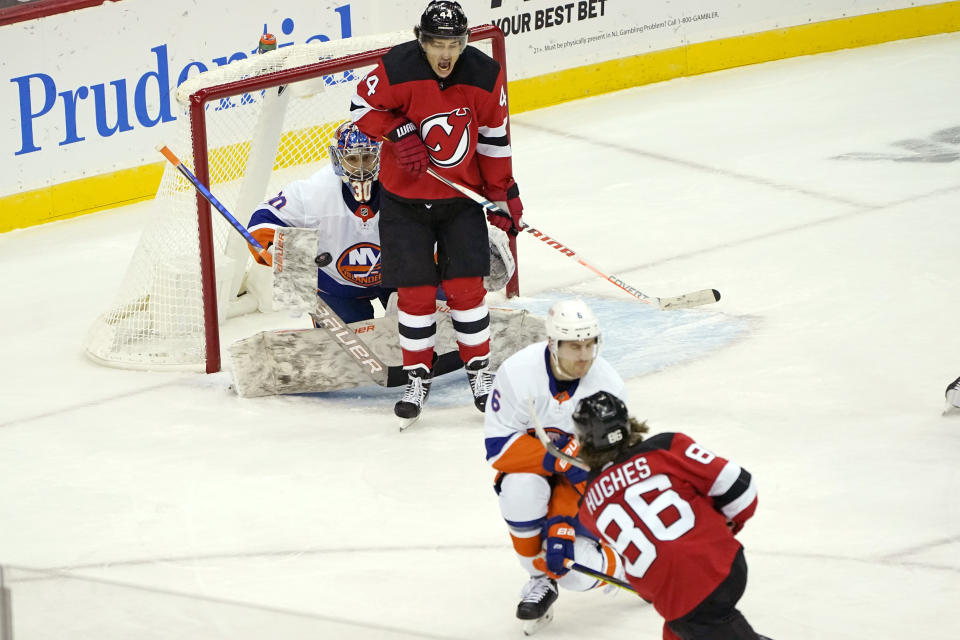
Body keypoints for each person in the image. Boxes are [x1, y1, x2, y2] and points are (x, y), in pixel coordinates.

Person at [350, 0, 524, 421]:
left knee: (467, 290)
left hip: (460, 200)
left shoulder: (484, 75)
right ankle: (416, 377)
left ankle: (479, 372)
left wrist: (502, 197)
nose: (445, 54)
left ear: (464, 42)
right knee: (415, 294)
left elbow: (493, 141)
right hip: (403, 202)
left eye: (454, 43)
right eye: (436, 43)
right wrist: (396, 130)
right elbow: (359, 109)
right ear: (421, 40)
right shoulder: (397, 67)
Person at [569, 390, 772, 640]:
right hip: (720, 566)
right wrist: (720, 528)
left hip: (684, 598)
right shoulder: (666, 447)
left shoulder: (588, 505)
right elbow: (741, 489)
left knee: (702, 622)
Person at [483, 299, 626, 630]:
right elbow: (498, 449)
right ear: (552, 344)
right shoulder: (518, 374)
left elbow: (601, 478)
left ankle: (629, 567)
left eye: (590, 344)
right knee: (519, 489)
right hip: (538, 474)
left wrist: (562, 521)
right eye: (575, 346)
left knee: (573, 570)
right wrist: (556, 459)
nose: (584, 355)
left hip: (585, 495)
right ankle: (539, 578)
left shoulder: (608, 389)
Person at [246, 122, 391, 324]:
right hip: (335, 288)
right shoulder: (314, 192)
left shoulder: (401, 184)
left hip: (398, 280)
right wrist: (272, 246)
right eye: (351, 159)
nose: (360, 168)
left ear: (379, 156)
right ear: (338, 160)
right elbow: (262, 219)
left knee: (431, 331)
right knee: (343, 353)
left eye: (367, 158)